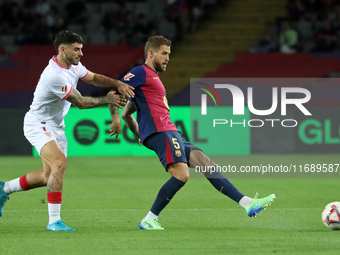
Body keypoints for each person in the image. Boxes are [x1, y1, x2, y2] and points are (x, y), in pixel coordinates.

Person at [113, 35, 276, 230]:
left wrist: (139, 133)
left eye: (169, 54)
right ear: (151, 53)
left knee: (207, 164)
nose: (167, 58)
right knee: (182, 174)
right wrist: (117, 120)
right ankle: (149, 219)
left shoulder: (151, 79)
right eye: (164, 53)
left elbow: (127, 113)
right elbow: (115, 92)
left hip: (169, 131)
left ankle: (247, 203)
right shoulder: (140, 73)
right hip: (162, 131)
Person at [0, 30, 134, 231]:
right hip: (38, 123)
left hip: (55, 126)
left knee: (48, 176)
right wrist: (109, 100)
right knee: (59, 164)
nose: (81, 54)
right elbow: (80, 102)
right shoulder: (54, 75)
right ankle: (54, 222)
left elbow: (94, 78)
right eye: (77, 49)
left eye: (81, 49)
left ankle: (4, 188)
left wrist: (116, 83)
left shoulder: (74, 66)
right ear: (63, 50)